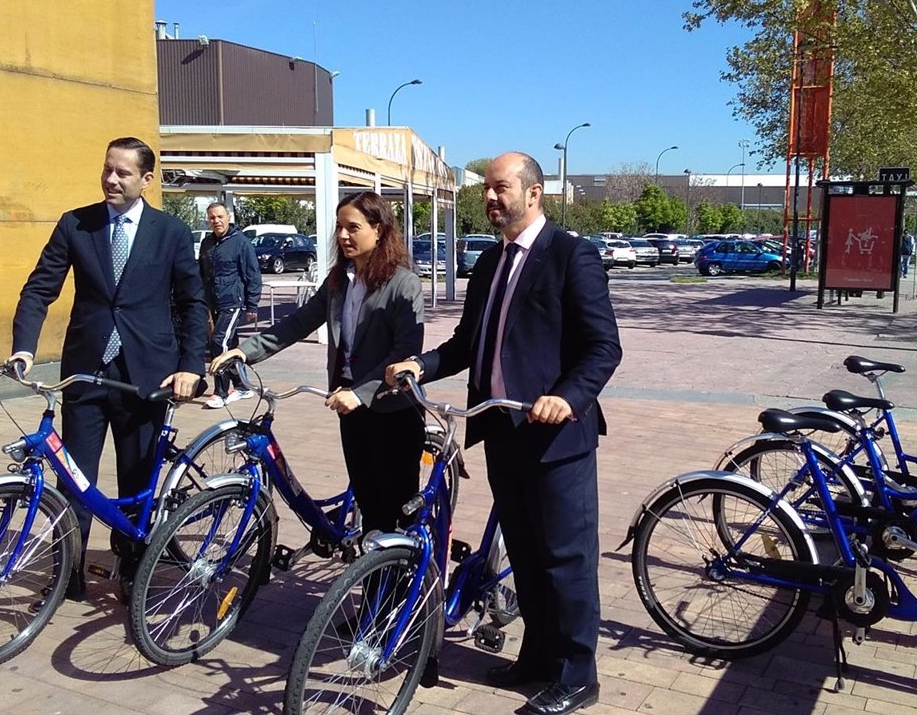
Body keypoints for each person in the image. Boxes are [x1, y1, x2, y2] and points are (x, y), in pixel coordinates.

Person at [386, 152, 621, 715]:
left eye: (501, 188)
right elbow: (470, 343)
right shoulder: (489, 262)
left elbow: (602, 347)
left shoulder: (573, 256)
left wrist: (566, 396)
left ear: (533, 194)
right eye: (487, 190)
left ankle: (577, 675)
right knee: (525, 549)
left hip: (557, 438)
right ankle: (538, 658)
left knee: (565, 557)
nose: (491, 198)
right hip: (500, 429)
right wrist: (422, 364)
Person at [8, 136, 207, 601]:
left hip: (147, 376)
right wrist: (24, 347)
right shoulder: (76, 224)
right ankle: (66, 575)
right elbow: (39, 288)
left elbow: (193, 303)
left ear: (146, 180)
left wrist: (190, 366)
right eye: (107, 170)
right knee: (73, 478)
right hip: (86, 372)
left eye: (123, 173)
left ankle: (133, 568)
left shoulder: (171, 233)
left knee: (138, 479)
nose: (111, 180)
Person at [211, 191, 425, 538]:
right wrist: (245, 352)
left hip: (391, 411)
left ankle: (398, 587)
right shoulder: (339, 280)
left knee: (395, 514)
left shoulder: (403, 284)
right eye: (339, 227)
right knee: (371, 506)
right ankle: (371, 584)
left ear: (379, 230)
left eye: (352, 228)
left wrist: (363, 392)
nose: (342, 236)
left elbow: (405, 351)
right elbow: (298, 322)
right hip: (350, 409)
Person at [198, 202, 262, 408]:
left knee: (218, 341)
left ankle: (221, 391)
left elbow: (252, 274)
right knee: (230, 345)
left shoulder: (241, 243)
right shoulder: (207, 243)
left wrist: (252, 304)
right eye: (212, 217)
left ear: (228, 218)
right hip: (214, 302)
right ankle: (242, 387)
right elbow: (201, 273)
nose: (216, 221)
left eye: (219, 216)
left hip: (233, 301)